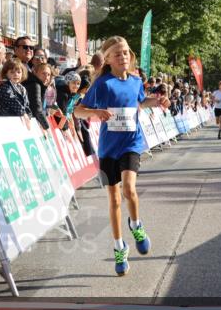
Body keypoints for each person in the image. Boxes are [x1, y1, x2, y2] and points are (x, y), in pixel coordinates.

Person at [74, 36, 170, 276]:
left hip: (131, 143)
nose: (123, 57)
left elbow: (140, 102)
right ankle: (120, 247)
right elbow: (77, 110)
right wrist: (95, 111)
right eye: (117, 54)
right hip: (108, 148)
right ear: (107, 59)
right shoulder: (102, 84)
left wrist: (157, 101)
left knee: (129, 189)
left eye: (126, 52)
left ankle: (136, 225)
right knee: (115, 200)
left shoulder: (136, 81)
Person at [0, 59, 32, 123]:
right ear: (6, 74)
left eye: (19, 72)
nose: (16, 74)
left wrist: (29, 115)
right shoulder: (5, 85)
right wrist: (23, 113)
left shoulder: (22, 88)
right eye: (12, 72)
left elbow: (26, 104)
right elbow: (11, 99)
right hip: (5, 120)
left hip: (18, 120)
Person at [23, 61, 55, 130]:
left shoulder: (41, 86)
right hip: (29, 125)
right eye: (43, 73)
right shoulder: (35, 85)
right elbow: (37, 110)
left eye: (48, 75)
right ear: (35, 72)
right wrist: (47, 127)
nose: (46, 77)